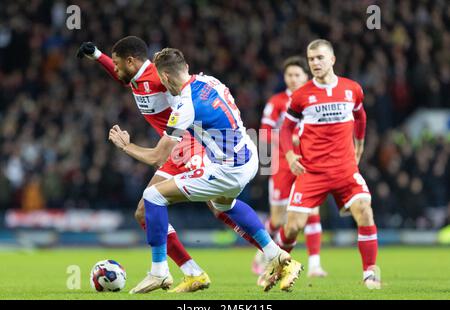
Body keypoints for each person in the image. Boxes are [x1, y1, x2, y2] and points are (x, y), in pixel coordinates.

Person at [108, 48, 303, 293]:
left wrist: (126, 146)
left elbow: (157, 156)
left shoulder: (184, 106)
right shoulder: (210, 81)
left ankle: (158, 271)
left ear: (166, 78)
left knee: (152, 197)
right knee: (224, 206)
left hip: (226, 170)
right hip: (248, 156)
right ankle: (279, 257)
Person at [77, 36, 261, 293]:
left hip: (187, 146)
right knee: (152, 210)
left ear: (131, 62)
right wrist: (98, 56)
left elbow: (184, 92)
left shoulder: (156, 77)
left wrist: (130, 147)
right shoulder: (135, 78)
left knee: (211, 206)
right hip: (179, 150)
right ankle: (193, 271)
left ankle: (269, 255)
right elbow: (119, 74)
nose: (116, 70)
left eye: (118, 64)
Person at [279, 39, 380, 289]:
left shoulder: (352, 89)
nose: (315, 63)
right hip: (312, 172)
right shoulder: (301, 95)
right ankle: (277, 267)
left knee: (365, 210)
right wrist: (291, 157)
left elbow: (360, 116)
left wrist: (360, 143)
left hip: (345, 169)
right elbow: (285, 128)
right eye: (311, 59)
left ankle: (370, 273)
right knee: (292, 228)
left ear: (332, 60)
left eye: (320, 58)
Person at [254, 56, 327, 279]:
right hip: (281, 165)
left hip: (307, 164)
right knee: (278, 220)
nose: (293, 79)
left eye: (297, 75)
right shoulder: (276, 102)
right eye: (289, 75)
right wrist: (288, 142)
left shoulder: (315, 100)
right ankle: (262, 254)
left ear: (306, 77)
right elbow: (265, 133)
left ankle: (315, 265)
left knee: (312, 211)